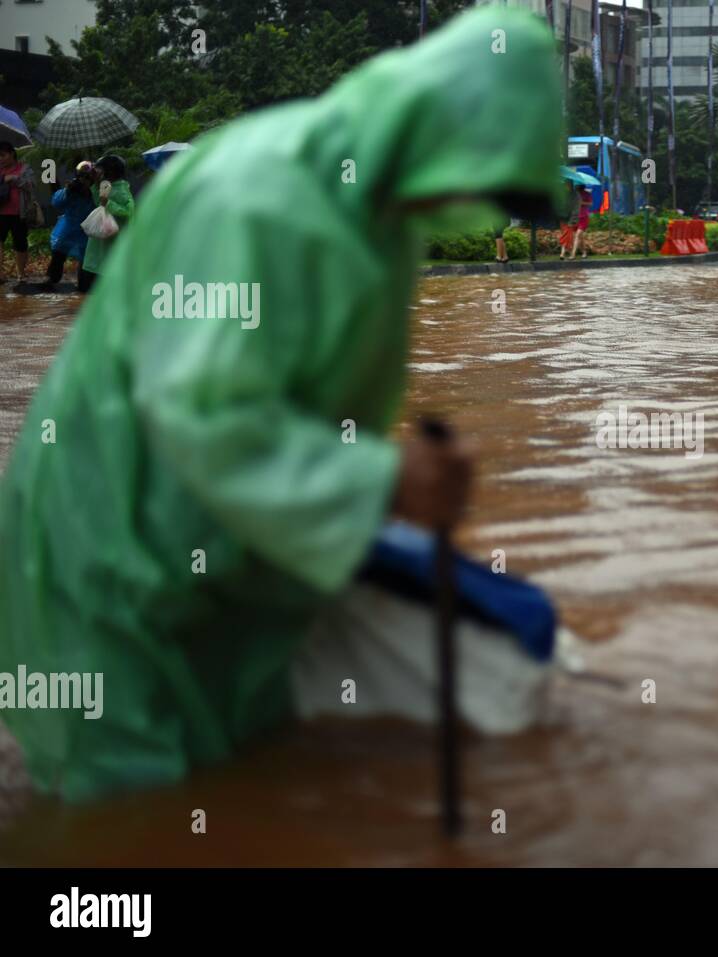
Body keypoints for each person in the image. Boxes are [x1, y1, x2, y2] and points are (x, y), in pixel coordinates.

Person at [0, 7, 566, 802]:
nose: (472, 209)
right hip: (110, 549)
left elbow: (321, 413)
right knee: (132, 813)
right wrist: (385, 480)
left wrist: (369, 481)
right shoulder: (258, 198)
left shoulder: (382, 221)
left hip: (233, 549)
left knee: (239, 781)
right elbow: (204, 413)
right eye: (481, 181)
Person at [39, 161, 97, 292]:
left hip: (87, 231)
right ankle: (50, 280)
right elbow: (56, 202)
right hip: (68, 228)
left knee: (86, 264)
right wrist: (67, 191)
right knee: (58, 254)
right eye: (82, 176)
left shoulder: (96, 190)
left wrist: (91, 193)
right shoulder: (72, 188)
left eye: (88, 177)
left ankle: (85, 284)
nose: (85, 180)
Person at [80, 154, 135, 293]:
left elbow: (128, 211)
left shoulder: (121, 189)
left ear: (109, 172)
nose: (97, 172)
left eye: (100, 169)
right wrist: (94, 185)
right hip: (102, 241)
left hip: (112, 242)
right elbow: (98, 202)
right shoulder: (106, 186)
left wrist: (109, 204)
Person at [0, 140, 37, 284]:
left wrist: (15, 179)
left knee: (20, 244)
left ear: (12, 154)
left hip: (19, 213)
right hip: (0, 212)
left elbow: (31, 185)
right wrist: (4, 178)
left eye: (2, 155)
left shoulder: (24, 169)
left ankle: (21, 274)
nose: (0, 159)